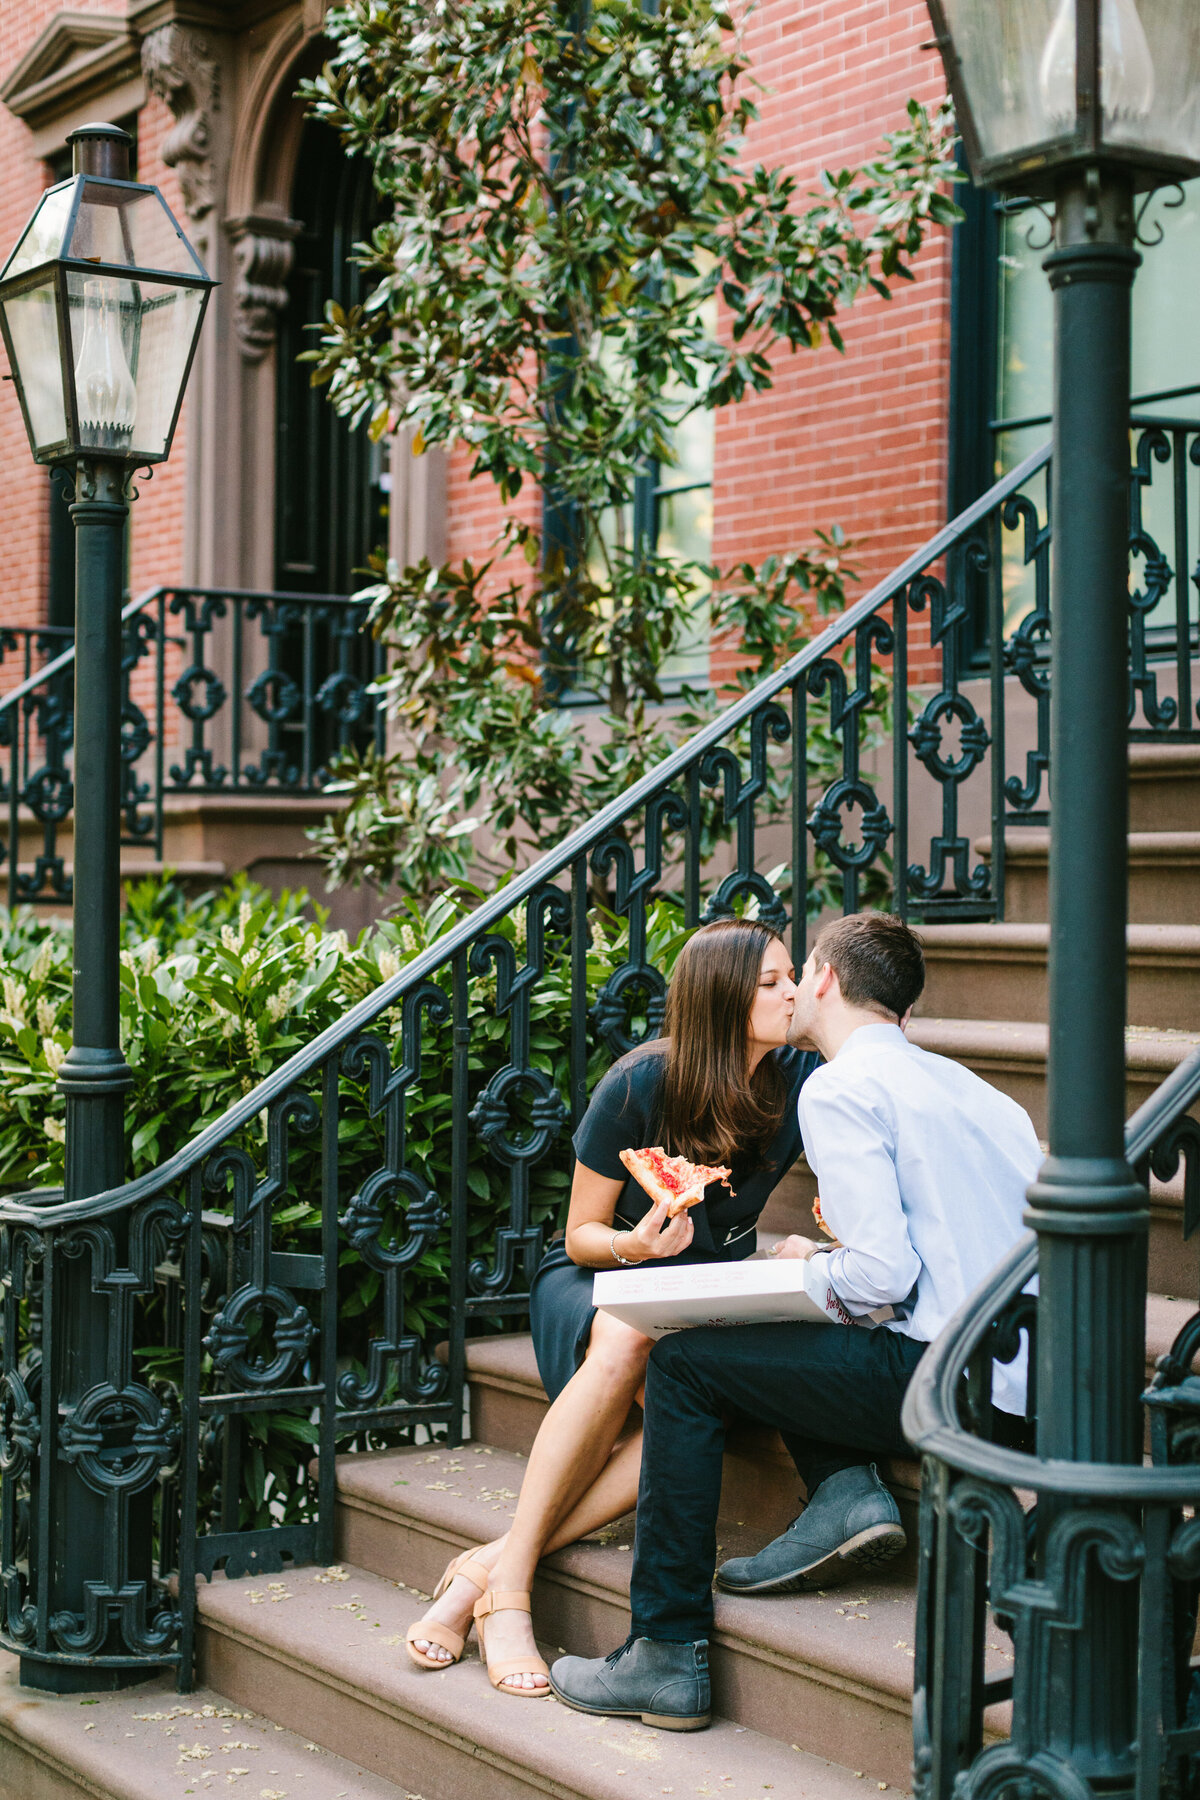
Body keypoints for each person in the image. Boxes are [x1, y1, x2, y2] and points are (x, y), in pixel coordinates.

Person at [548, 910, 1042, 1731]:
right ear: (906, 1013)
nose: (788, 986)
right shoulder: (975, 1091)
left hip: (940, 1379)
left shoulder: (842, 1087)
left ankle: (666, 1650)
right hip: (1021, 1374)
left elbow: (881, 1277)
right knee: (787, 1322)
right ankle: (845, 1496)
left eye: (796, 970)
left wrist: (807, 1267)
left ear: (826, 981)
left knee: (686, 1365)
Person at [405, 917, 820, 1693]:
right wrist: (640, 1246)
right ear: (722, 999)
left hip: (703, 1295)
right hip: (605, 1282)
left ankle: (487, 1572)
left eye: (792, 975)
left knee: (682, 1392)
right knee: (631, 1343)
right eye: (771, 981)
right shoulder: (640, 1082)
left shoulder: (800, 1082)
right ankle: (514, 1602)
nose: (792, 991)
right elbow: (581, 1235)